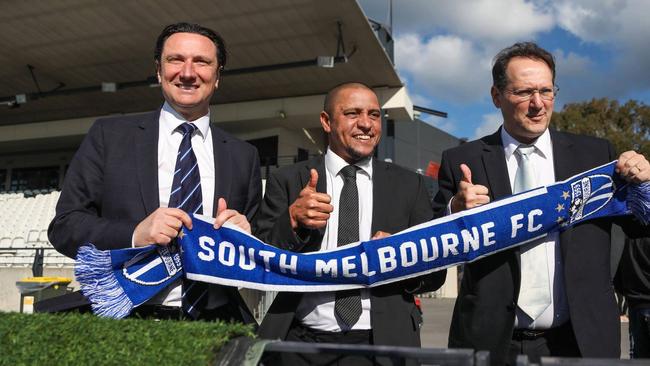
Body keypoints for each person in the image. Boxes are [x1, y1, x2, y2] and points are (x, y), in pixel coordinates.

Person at [432, 42, 650, 365]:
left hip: (578, 341)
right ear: (496, 96)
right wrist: (454, 212)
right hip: (491, 342)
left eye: (546, 91)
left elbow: (639, 225)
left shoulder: (595, 156)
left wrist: (644, 187)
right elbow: (430, 243)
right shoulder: (462, 161)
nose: (538, 104)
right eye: (524, 92)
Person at [48, 22, 261, 323]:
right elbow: (65, 227)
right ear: (159, 71)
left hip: (217, 320)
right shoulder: (109, 136)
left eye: (201, 62)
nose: (187, 73)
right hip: (127, 321)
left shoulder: (243, 156)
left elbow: (258, 250)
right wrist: (134, 234)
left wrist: (244, 241)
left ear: (217, 77)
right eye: (176, 60)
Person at [255, 82, 446, 365]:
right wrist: (292, 222)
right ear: (326, 121)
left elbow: (435, 273)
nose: (366, 124)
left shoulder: (411, 185)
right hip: (300, 343)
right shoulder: (287, 180)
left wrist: (401, 255)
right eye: (353, 113)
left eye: (374, 114)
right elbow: (258, 259)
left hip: (382, 346)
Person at [616, 237, 650, 358]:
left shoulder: (629, 239)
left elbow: (619, 274)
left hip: (636, 303)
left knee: (638, 356)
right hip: (638, 301)